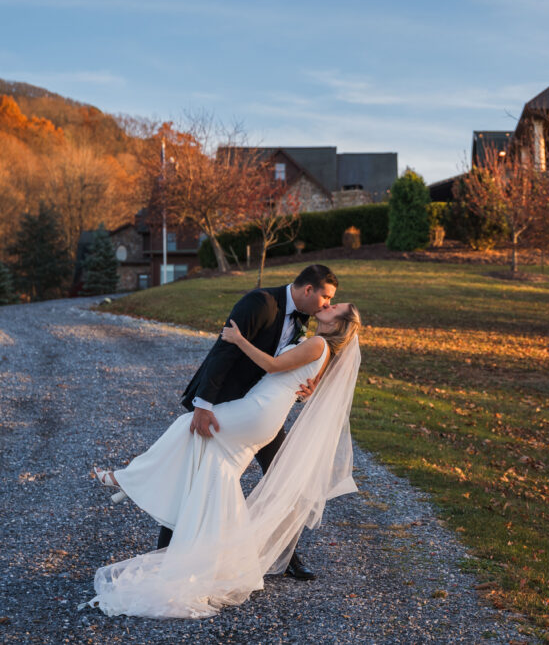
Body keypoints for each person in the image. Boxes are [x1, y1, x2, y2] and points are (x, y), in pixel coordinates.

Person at [84, 303, 362, 618]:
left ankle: (128, 478)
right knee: (217, 473)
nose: (329, 305)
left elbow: (273, 366)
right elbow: (304, 385)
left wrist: (238, 339)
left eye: (335, 305)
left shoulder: (318, 343)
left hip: (258, 410)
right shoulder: (322, 348)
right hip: (265, 414)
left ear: (339, 322)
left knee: (186, 427)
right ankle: (230, 564)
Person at [173, 263, 338, 580]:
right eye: (326, 298)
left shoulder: (303, 320)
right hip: (224, 402)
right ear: (308, 290)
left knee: (282, 477)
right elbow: (224, 350)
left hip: (261, 411)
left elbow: (289, 368)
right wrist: (203, 404)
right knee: (195, 473)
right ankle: (165, 552)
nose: (327, 306)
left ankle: (286, 555)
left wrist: (305, 387)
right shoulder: (261, 303)